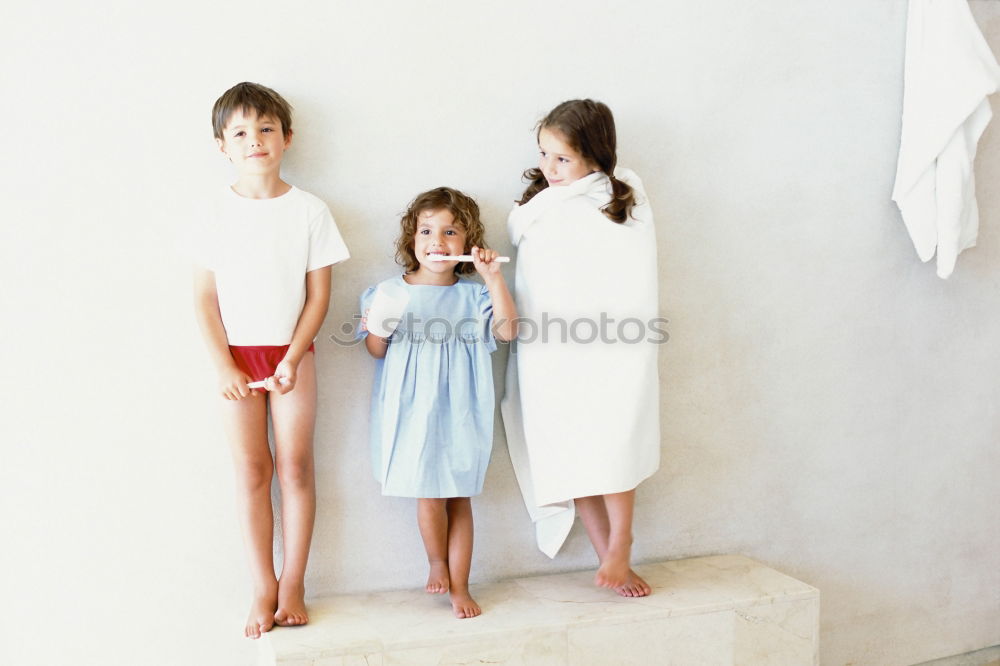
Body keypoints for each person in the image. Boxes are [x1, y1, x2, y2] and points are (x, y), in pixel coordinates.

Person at [192, 82, 350, 638]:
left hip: (292, 356)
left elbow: (319, 297)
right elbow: (204, 301)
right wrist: (225, 367)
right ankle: (262, 584)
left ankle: (294, 583)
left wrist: (291, 357)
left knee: (297, 468)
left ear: (287, 137)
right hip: (236, 359)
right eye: (240, 132)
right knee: (252, 472)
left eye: (265, 129)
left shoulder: (310, 210)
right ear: (222, 146)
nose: (254, 140)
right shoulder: (215, 212)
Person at [501, 99, 661, 597]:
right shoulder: (537, 205)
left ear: (595, 155)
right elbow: (538, 276)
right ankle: (606, 555)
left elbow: (631, 271)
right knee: (567, 449)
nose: (550, 168)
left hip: (611, 344)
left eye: (563, 159)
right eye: (544, 154)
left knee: (615, 438)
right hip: (550, 348)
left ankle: (622, 544)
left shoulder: (623, 196)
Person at [360, 187, 516, 618]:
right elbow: (376, 351)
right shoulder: (390, 292)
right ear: (412, 239)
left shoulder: (473, 295)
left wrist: (493, 278)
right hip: (410, 410)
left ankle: (461, 586)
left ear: (468, 243)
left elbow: (506, 332)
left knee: (459, 495)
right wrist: (380, 326)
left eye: (450, 232)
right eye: (426, 231)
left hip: (462, 408)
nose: (437, 241)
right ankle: (435, 562)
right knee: (428, 495)